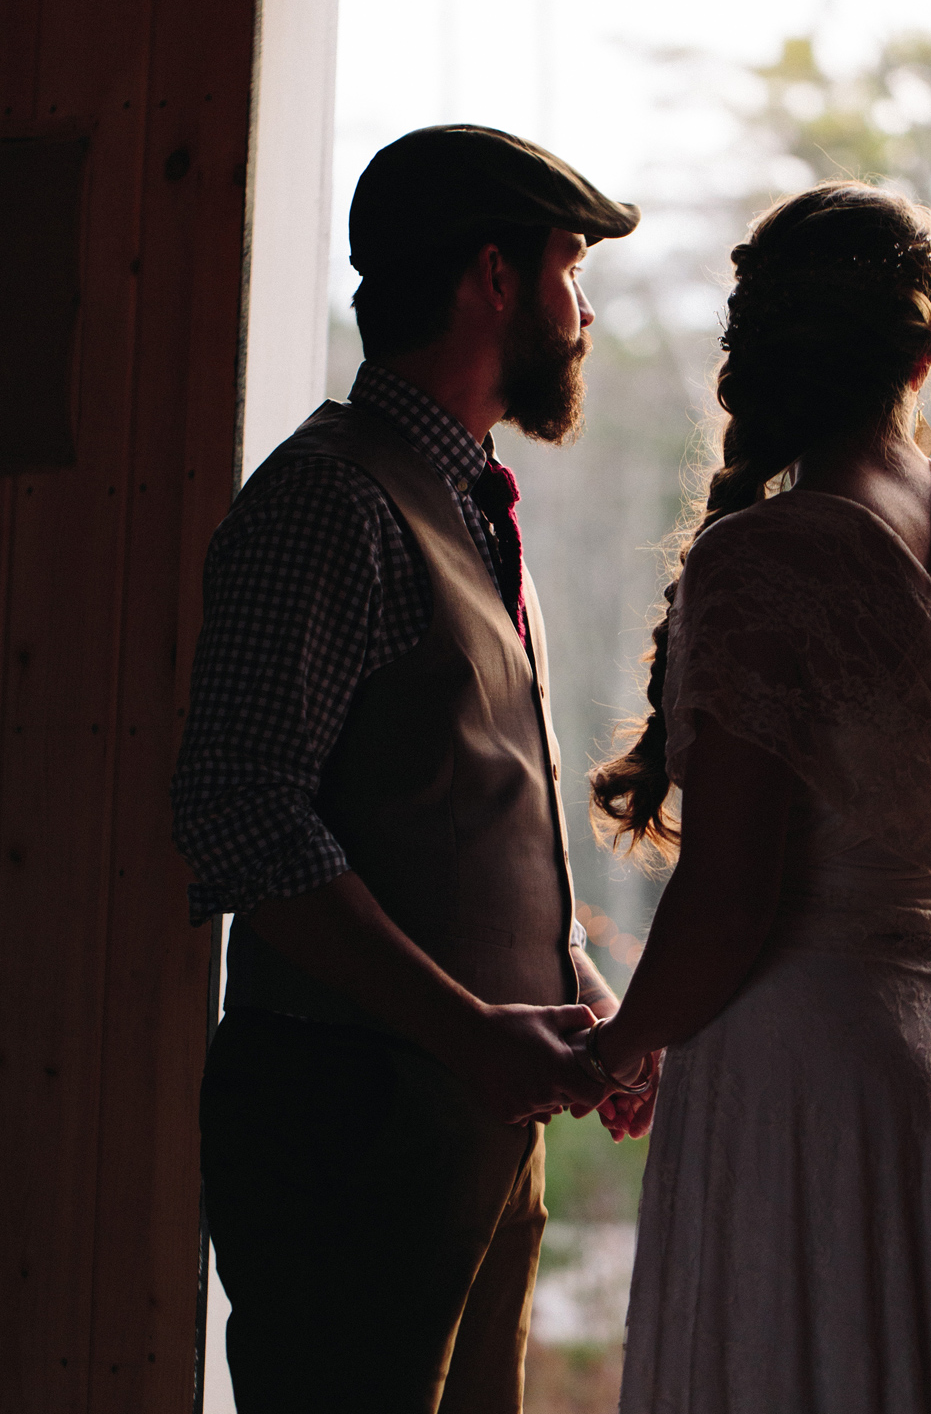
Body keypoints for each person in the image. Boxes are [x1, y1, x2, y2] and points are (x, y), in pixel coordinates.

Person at [171, 124, 649, 1414]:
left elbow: (444, 810)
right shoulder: (324, 502)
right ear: (492, 279)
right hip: (346, 1136)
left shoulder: (465, 503)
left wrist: (568, 992)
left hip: (470, 1135)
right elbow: (237, 816)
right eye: (569, 267)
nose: (585, 310)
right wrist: (467, 1032)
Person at [577, 181, 931, 1412]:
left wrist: (622, 1046)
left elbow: (736, 890)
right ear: (925, 352)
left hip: (808, 1074)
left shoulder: (762, 555)